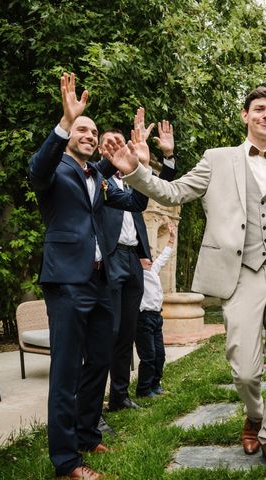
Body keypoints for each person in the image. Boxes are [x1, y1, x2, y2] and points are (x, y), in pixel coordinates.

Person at [103, 86, 266, 467]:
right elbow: (172, 193)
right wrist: (136, 171)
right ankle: (254, 414)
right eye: (259, 109)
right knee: (245, 368)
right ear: (245, 115)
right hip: (239, 274)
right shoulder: (216, 159)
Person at [29, 73, 148, 479]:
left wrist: (141, 165)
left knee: (99, 360)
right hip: (66, 282)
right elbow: (36, 168)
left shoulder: (98, 177)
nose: (90, 134)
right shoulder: (54, 168)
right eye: (82, 128)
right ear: (68, 134)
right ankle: (66, 462)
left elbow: (135, 200)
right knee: (65, 372)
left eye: (93, 130)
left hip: (100, 280)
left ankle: (86, 432)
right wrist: (65, 120)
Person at [95, 109, 177, 412]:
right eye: (109, 142)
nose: (115, 146)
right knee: (111, 329)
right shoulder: (96, 178)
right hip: (111, 257)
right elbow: (97, 175)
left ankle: (120, 397)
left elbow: (160, 186)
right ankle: (97, 398)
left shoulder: (130, 180)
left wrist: (165, 156)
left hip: (134, 260)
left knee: (128, 331)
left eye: (120, 141)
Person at [135, 222, 176, 398]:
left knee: (160, 354)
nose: (151, 258)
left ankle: (155, 384)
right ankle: (143, 390)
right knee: (148, 356)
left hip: (156, 317)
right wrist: (137, 263)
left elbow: (165, 255)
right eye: (147, 256)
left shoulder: (154, 269)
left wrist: (171, 238)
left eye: (151, 255)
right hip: (142, 318)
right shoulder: (136, 272)